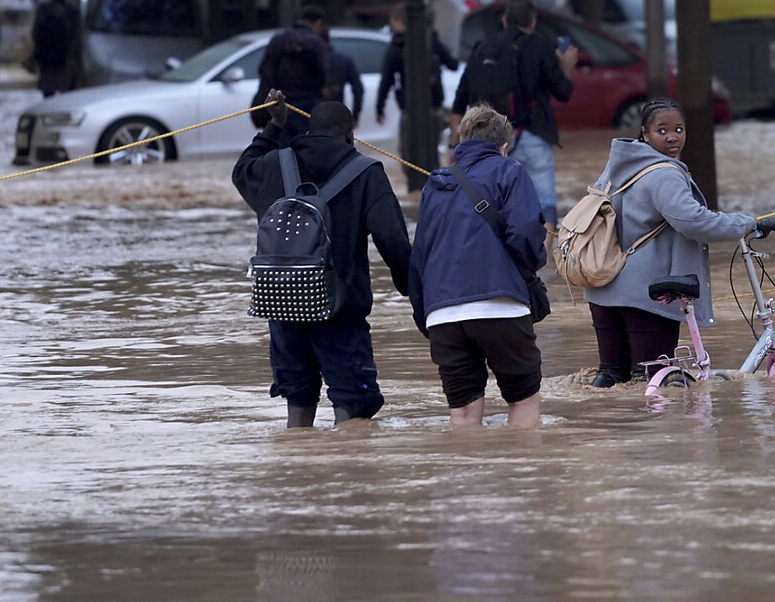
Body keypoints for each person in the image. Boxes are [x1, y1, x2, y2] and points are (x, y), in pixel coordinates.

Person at [231, 90, 412, 427]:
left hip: (283, 307)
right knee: (353, 405)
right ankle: (343, 473)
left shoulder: (274, 163)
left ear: (310, 129)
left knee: (298, 399)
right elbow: (392, 240)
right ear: (351, 135)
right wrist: (413, 290)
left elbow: (241, 171)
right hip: (340, 311)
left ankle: (300, 470)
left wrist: (273, 128)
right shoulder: (366, 172)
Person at [583, 98, 758, 388]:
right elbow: (694, 222)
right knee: (653, 384)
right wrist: (746, 223)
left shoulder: (615, 168)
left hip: (602, 290)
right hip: (648, 295)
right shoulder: (665, 173)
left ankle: (608, 432)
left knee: (611, 382)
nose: (672, 136)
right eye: (662, 131)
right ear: (645, 134)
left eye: (679, 129)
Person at [409, 104, 547, 428]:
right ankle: (525, 477)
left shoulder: (435, 183)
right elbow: (525, 234)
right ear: (503, 145)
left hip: (443, 315)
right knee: (523, 400)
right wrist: (532, 265)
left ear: (461, 140)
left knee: (463, 414)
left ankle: (467, 473)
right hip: (501, 308)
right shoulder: (509, 171)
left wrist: (426, 315)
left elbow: (420, 256)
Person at [450, 0, 576, 239]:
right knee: (543, 203)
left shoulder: (482, 47)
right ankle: (544, 263)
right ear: (533, 22)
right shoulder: (540, 46)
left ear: (505, 21)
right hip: (532, 133)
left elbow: (460, 100)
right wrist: (566, 67)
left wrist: (454, 144)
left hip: (488, 140)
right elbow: (563, 93)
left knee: (493, 201)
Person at [375, 3, 459, 192]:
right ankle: (435, 188)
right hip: (433, 107)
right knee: (432, 152)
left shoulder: (397, 45)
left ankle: (417, 188)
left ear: (399, 22)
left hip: (410, 110)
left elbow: (387, 78)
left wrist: (379, 107)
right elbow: (453, 64)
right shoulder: (431, 41)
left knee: (409, 152)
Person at [249, 4, 328, 134]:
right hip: (307, 105)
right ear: (318, 23)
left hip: (280, 103)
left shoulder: (278, 39)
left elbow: (265, 70)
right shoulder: (317, 43)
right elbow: (322, 75)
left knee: (281, 146)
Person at [31, 0, 82, 98]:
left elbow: (36, 32)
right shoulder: (72, 12)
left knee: (48, 93)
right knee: (67, 92)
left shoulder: (44, 10)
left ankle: (50, 112)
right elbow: (77, 37)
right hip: (65, 57)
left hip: (47, 58)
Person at [321, 27, 364, 126]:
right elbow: (358, 89)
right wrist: (355, 115)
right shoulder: (344, 61)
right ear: (329, 40)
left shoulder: (307, 62)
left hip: (310, 114)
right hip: (337, 113)